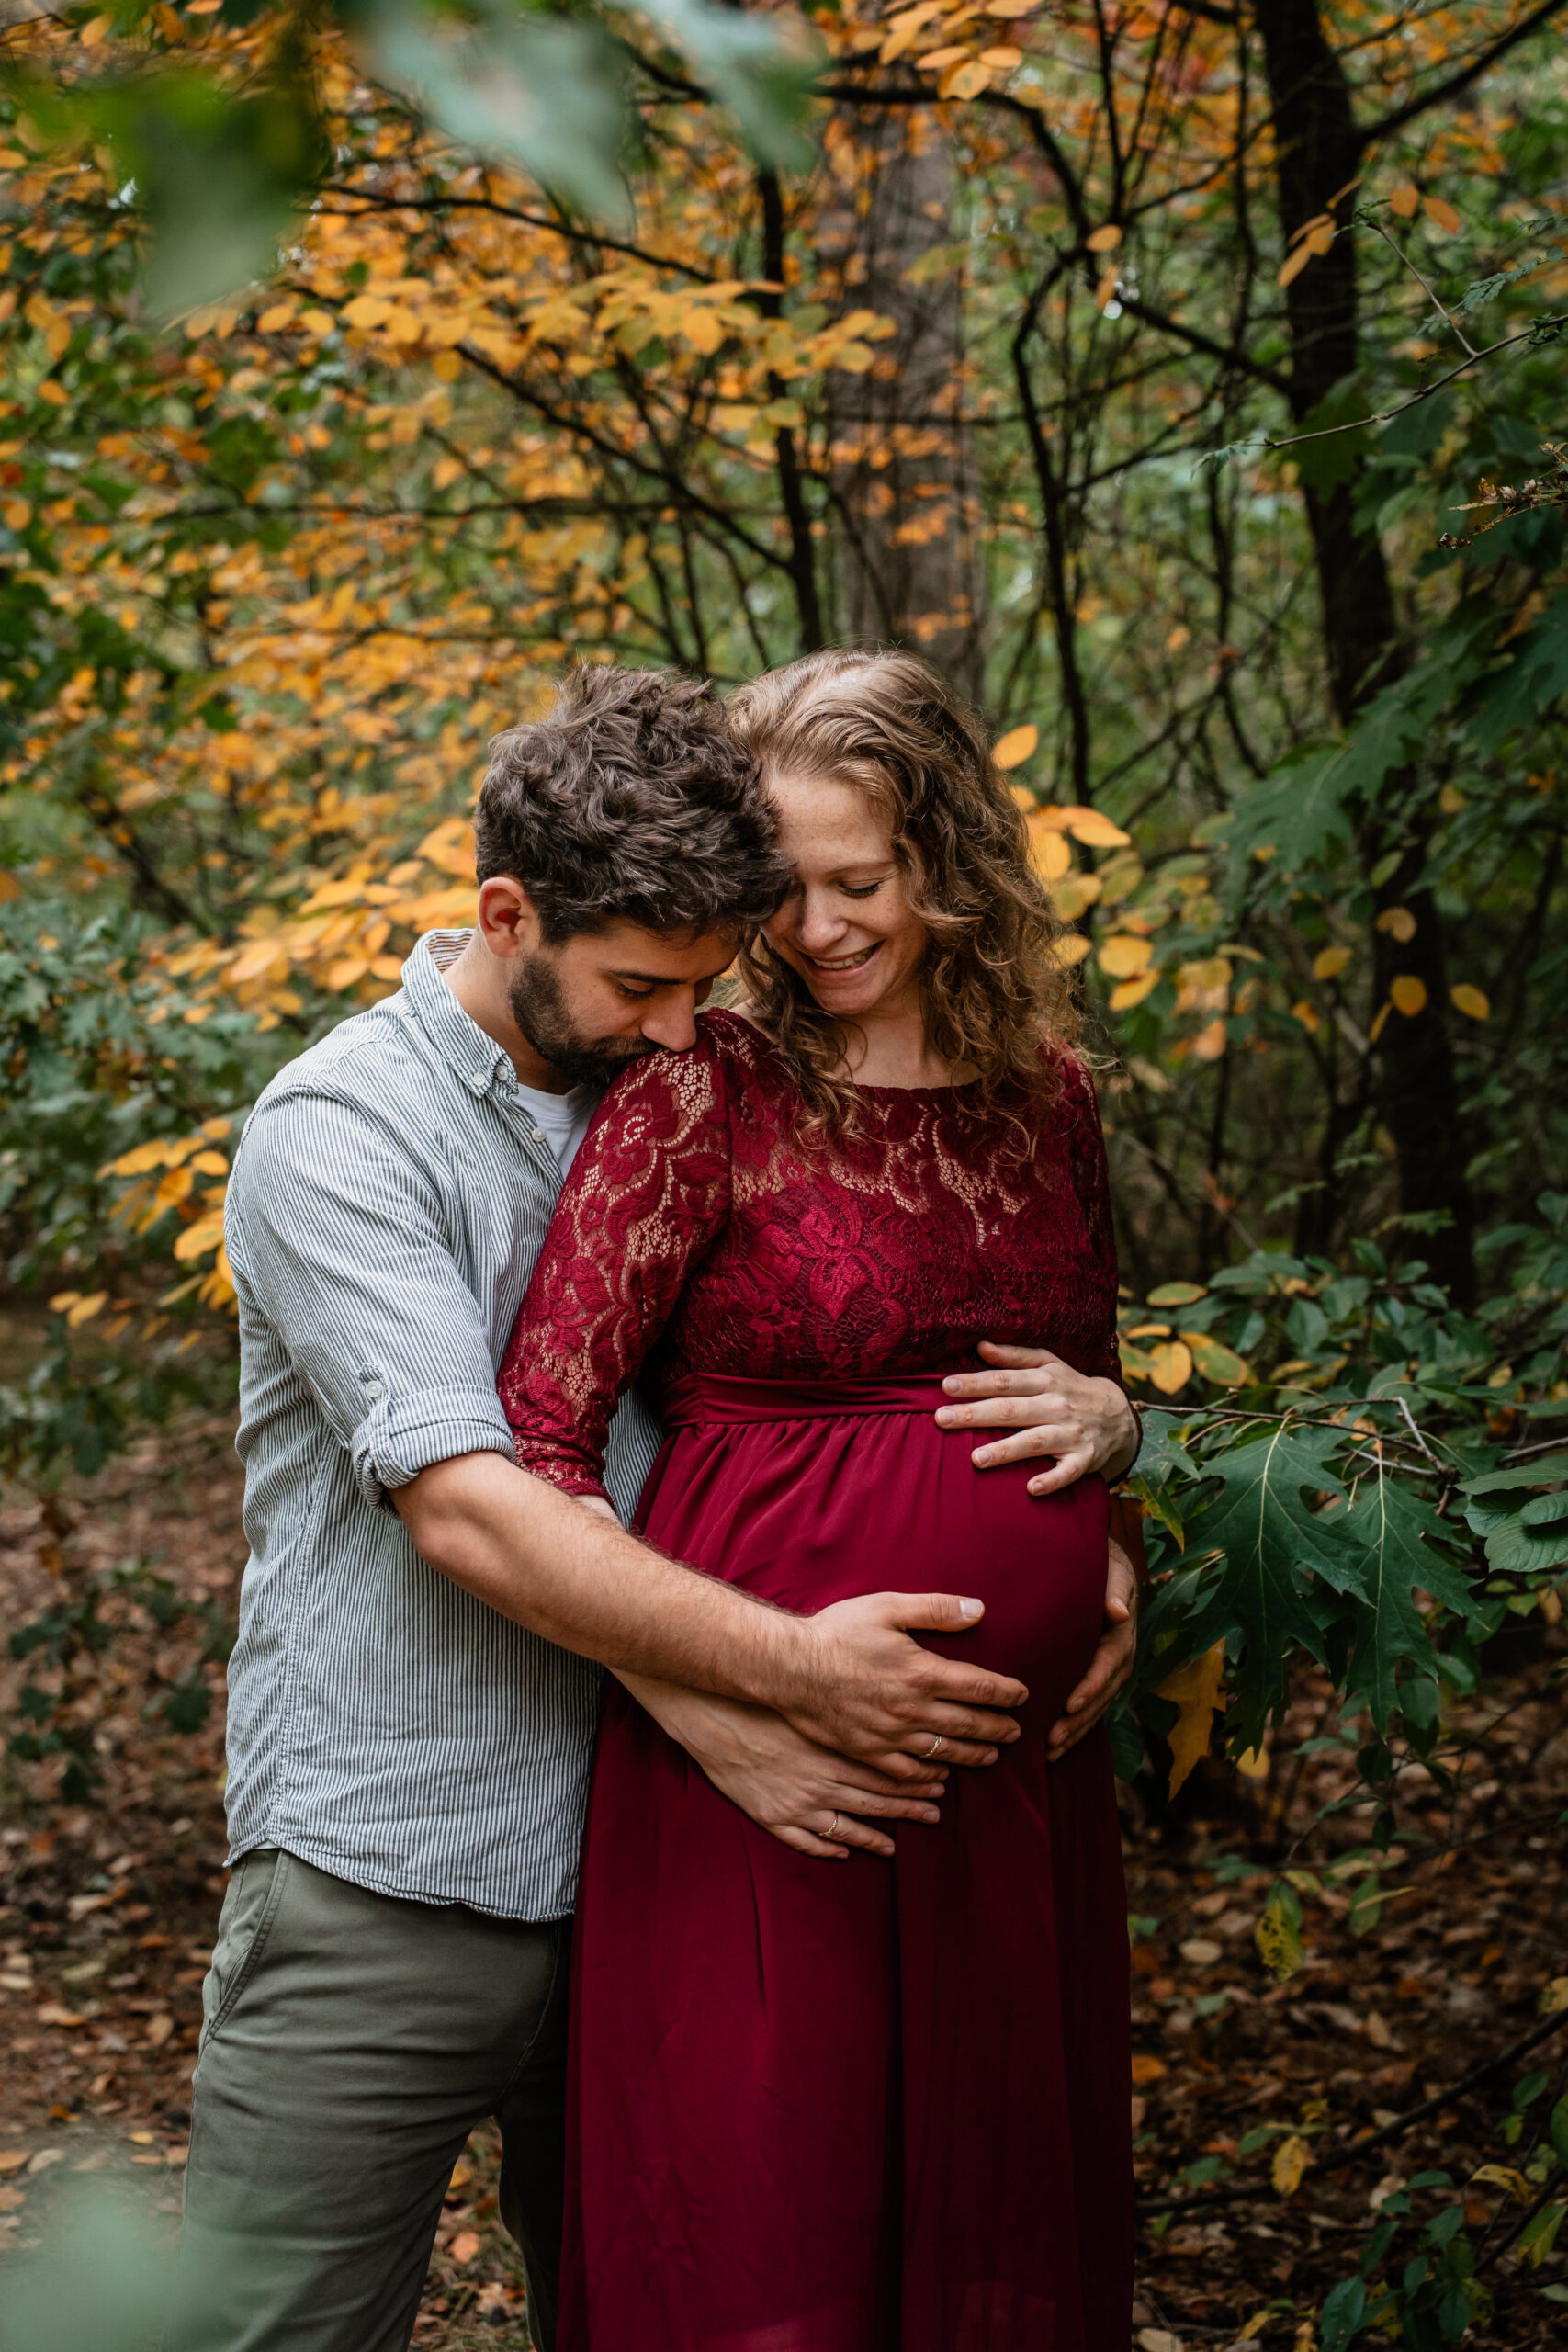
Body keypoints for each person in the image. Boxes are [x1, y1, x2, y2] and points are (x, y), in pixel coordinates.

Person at [175, 662, 1137, 2352]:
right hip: (408, 1872)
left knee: (677, 2299)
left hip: (659, 1850)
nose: (688, 1029)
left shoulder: (692, 1069)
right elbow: (475, 1505)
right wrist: (763, 1686)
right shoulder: (343, 1135)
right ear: (508, 914)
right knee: (277, 2331)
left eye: (714, 981)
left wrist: (1114, 1457)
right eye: (642, 985)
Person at [501, 648, 1142, 2352]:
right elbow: (539, 1435)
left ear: (950, 866)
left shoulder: (1051, 1100)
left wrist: (1119, 1507)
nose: (819, 929)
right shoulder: (697, 1087)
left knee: (989, 2226)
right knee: (764, 2226)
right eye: (786, 891)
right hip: (758, 1764)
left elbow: (1079, 1377)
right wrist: (711, 1696)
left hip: (1006, 1785)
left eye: (863, 882)